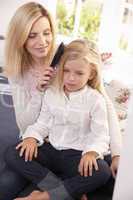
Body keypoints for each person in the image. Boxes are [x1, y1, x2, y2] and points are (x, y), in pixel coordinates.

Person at [5, 39, 112, 200]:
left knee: (102, 172)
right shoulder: (52, 93)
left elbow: (101, 135)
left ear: (91, 74)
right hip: (51, 150)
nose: (70, 78)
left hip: (76, 157)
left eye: (79, 73)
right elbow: (42, 124)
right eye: (66, 71)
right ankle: (64, 190)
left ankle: (44, 196)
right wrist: (32, 138)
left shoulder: (96, 100)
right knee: (13, 152)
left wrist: (91, 153)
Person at [0, 2, 56, 200]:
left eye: (46, 32)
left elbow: (103, 101)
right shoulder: (17, 72)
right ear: (20, 38)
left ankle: (50, 194)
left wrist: (118, 153)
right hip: (36, 141)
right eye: (32, 35)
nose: (42, 41)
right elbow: (24, 124)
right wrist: (39, 91)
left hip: (66, 139)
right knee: (9, 167)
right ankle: (60, 190)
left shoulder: (63, 60)